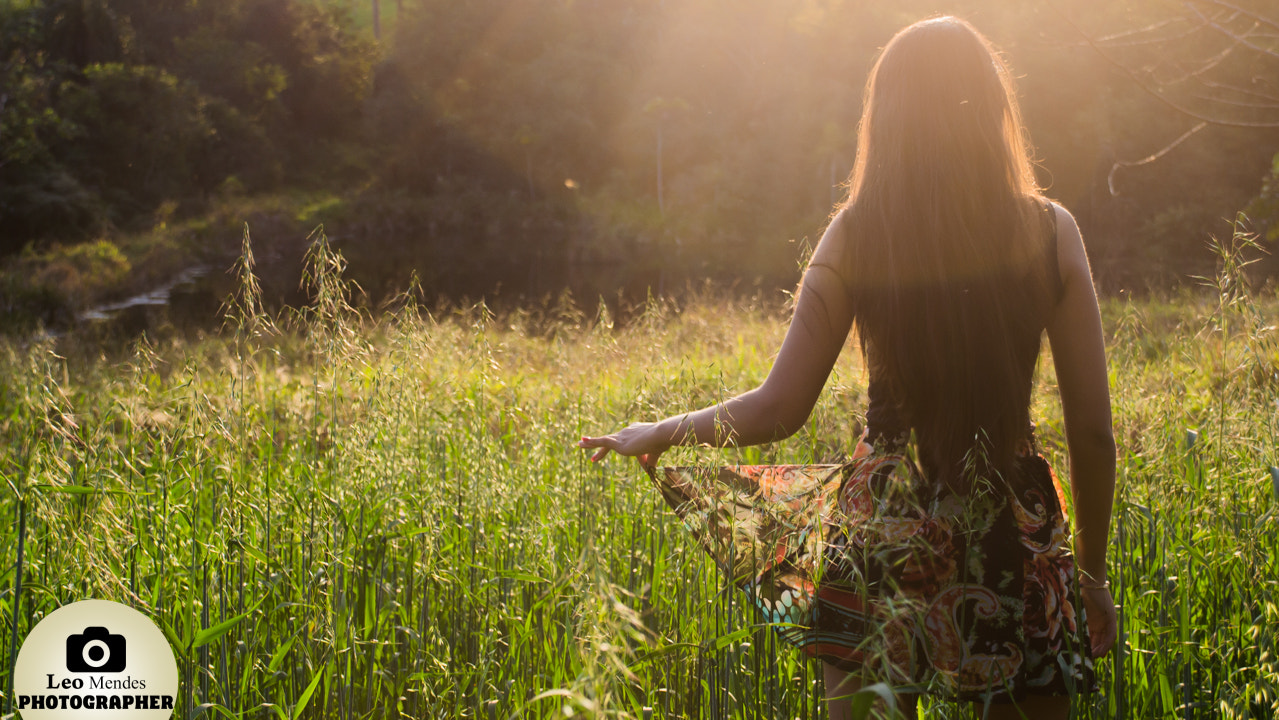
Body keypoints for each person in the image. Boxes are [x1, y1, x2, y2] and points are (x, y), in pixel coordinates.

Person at [578, 15, 1117, 719]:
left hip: (881, 525)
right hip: (1010, 528)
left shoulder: (856, 233)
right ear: (992, 110)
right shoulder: (1051, 232)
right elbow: (1092, 434)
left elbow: (779, 407)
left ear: (884, 118)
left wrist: (657, 430)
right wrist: (1090, 574)